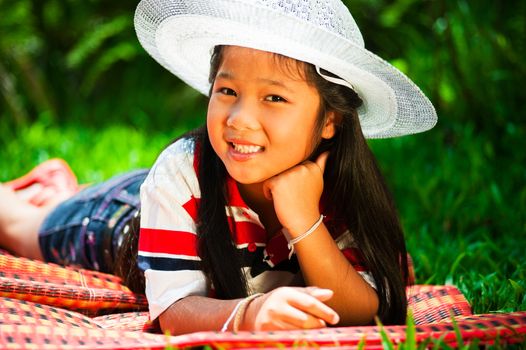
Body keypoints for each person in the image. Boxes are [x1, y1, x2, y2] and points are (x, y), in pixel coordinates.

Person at [0, 0, 437, 335]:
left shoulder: (339, 182)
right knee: (22, 226)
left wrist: (303, 219)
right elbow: (172, 310)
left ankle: (58, 188)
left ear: (329, 120)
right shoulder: (180, 173)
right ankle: (53, 198)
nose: (239, 119)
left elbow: (367, 312)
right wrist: (251, 313)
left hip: (164, 201)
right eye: (227, 90)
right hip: (120, 221)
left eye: (274, 97)